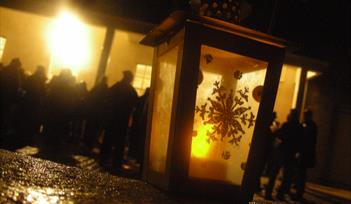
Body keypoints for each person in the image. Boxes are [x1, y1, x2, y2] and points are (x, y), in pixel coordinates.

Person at [100, 70, 138, 171]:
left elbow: (107, 99)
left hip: (113, 119)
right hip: (122, 121)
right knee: (119, 142)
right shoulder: (131, 90)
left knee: (109, 139)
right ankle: (116, 162)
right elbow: (136, 104)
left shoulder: (116, 87)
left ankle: (103, 158)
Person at [265, 109, 303, 200]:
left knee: (274, 173)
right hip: (291, 153)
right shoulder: (299, 127)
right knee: (287, 176)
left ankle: (268, 193)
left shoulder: (286, 125)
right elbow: (301, 141)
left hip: (282, 152)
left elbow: (279, 136)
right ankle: (280, 194)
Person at [292, 109, 317, 201]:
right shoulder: (307, 124)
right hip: (303, 153)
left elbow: (307, 140)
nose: (304, 117)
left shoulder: (310, 125)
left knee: (301, 174)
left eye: (306, 115)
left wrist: (300, 151)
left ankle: (299, 194)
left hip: (305, 154)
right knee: (300, 173)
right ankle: (298, 192)